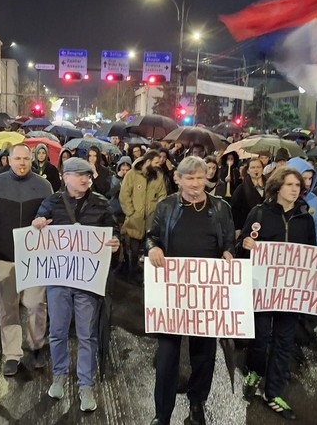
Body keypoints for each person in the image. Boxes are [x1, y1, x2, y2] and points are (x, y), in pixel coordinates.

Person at [146, 156, 235, 425]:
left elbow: (230, 241)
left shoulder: (221, 208)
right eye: (190, 178)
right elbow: (152, 235)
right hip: (173, 293)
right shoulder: (166, 206)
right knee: (167, 358)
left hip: (207, 293)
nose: (196, 184)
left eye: (201, 178)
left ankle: (197, 404)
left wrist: (230, 252)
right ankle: (162, 414)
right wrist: (153, 247)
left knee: (204, 356)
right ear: (179, 179)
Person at [31, 157, 120, 413]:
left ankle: (85, 383)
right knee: (57, 331)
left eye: (88, 175)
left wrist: (115, 242)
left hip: (87, 282)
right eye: (80, 174)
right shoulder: (51, 203)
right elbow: (39, 223)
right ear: (65, 177)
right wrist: (38, 224)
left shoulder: (101, 204)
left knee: (87, 335)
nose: (85, 179)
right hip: (58, 281)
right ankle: (59, 374)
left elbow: (113, 232)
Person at [240, 167, 316, 420]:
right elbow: (243, 251)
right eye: (290, 185)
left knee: (284, 342)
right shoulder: (259, 213)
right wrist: (246, 245)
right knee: (260, 339)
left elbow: (313, 254)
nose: (295, 189)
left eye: (298, 186)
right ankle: (254, 370)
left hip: (290, 293)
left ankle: (273, 393)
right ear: (277, 188)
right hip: (262, 290)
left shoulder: (305, 218)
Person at [0, 144, 53, 376]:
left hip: (35, 260)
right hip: (6, 258)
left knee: (36, 305)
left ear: (31, 160)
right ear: (8, 159)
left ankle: (37, 345)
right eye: (17, 158)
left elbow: (53, 217)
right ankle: (12, 354)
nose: (22, 163)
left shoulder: (43, 185)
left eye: (26, 159)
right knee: (8, 308)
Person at [119, 150, 167, 283]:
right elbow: (124, 195)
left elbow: (162, 195)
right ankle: (132, 275)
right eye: (156, 162)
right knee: (133, 252)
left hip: (151, 222)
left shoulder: (158, 176)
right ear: (148, 161)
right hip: (134, 221)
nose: (159, 164)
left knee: (149, 252)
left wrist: (156, 211)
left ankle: (148, 278)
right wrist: (131, 213)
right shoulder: (131, 175)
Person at [230, 158, 265, 232]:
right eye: (253, 167)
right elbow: (234, 209)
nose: (256, 170)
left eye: (258, 167)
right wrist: (237, 228)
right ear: (248, 171)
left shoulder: (270, 186)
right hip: (247, 227)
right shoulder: (242, 188)